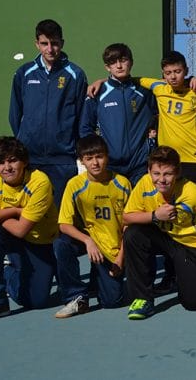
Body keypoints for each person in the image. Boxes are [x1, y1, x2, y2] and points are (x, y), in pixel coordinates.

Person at [0, 137, 58, 323]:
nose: (7, 167)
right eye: (0, 163)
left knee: (37, 300)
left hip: (38, 241)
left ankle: (9, 271)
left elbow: (22, 229)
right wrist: (12, 211)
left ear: (24, 162)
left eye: (12, 160)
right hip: (8, 236)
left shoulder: (39, 182)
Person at [122, 146, 196, 320]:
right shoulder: (144, 183)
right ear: (149, 171)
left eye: (167, 174)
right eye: (156, 173)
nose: (161, 180)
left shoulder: (195, 195)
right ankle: (142, 298)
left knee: (194, 303)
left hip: (192, 245)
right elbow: (126, 218)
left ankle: (180, 272)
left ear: (178, 172)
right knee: (133, 234)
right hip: (165, 238)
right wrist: (154, 215)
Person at [9, 19, 88, 207]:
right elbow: (15, 113)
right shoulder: (24, 73)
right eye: (44, 43)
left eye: (55, 43)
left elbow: (82, 115)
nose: (50, 49)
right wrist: (23, 142)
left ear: (62, 43)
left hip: (63, 158)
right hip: (30, 156)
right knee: (31, 214)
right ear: (37, 44)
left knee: (62, 216)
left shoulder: (75, 74)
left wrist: (74, 146)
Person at [54, 135, 131, 317]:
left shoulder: (122, 183)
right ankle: (76, 297)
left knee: (112, 302)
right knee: (61, 244)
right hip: (89, 241)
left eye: (99, 157)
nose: (95, 163)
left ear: (107, 156)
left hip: (113, 247)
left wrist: (121, 257)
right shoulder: (74, 185)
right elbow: (64, 224)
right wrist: (88, 240)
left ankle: (98, 277)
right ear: (82, 161)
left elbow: (130, 226)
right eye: (89, 158)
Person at [80, 43, 157, 185]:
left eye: (123, 60)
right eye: (113, 62)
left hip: (140, 166)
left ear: (131, 62)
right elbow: (85, 128)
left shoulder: (145, 92)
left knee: (139, 207)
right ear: (107, 67)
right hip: (110, 166)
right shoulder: (97, 93)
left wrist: (152, 142)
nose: (119, 66)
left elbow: (161, 115)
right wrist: (97, 155)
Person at [137, 51, 196, 189]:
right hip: (167, 158)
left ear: (186, 71)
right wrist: (101, 81)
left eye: (177, 71)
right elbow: (129, 79)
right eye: (168, 73)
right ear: (163, 74)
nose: (173, 76)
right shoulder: (159, 88)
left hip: (194, 159)